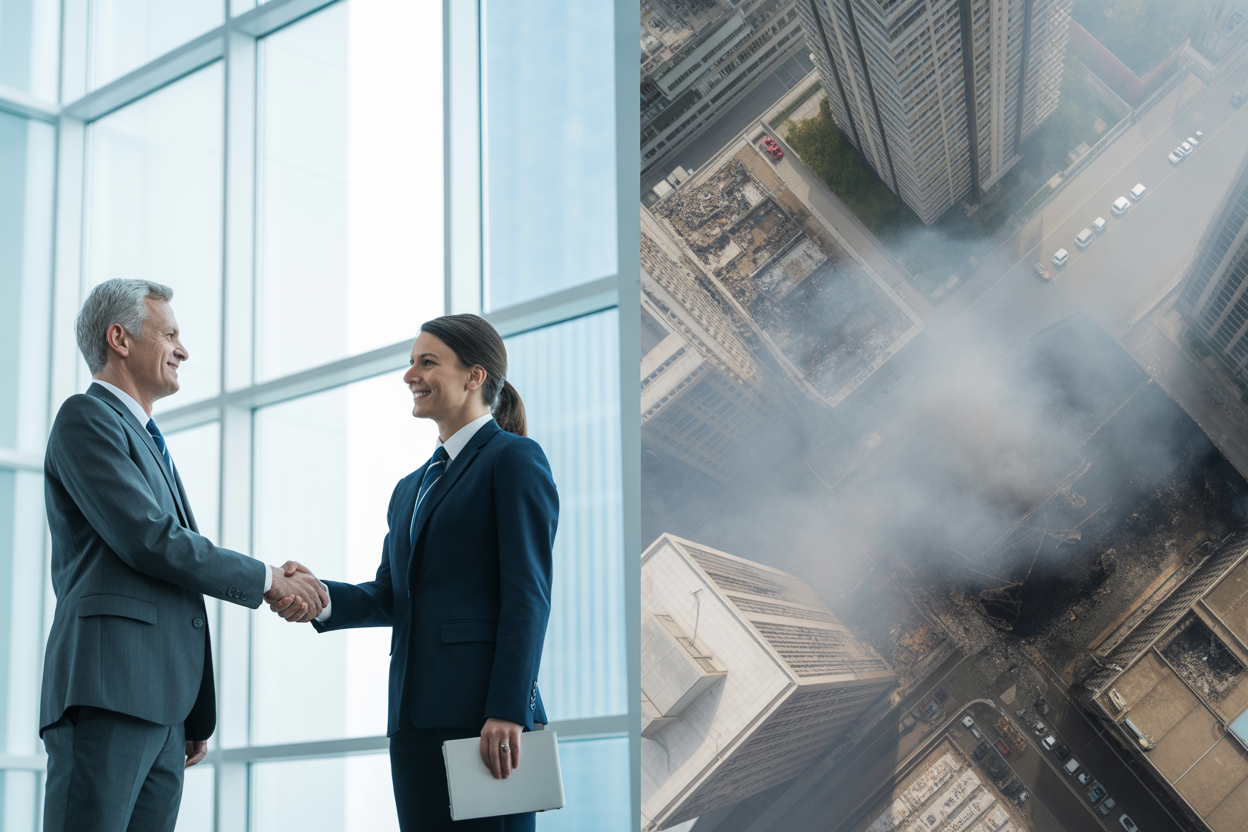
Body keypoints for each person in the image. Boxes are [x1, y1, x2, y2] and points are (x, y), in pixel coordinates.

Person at [40, 279, 328, 832]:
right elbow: (151, 540)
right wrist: (267, 578)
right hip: (109, 693)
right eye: (169, 332)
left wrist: (186, 709)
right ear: (119, 339)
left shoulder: (145, 436)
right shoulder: (87, 417)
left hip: (163, 709)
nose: (183, 349)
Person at [267, 314, 558, 831]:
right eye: (410, 363)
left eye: (428, 362)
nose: (410, 375)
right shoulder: (410, 487)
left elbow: (527, 594)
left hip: (485, 720)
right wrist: (319, 596)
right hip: (413, 718)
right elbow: (391, 595)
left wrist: (508, 709)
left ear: (475, 376)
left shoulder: (513, 460)